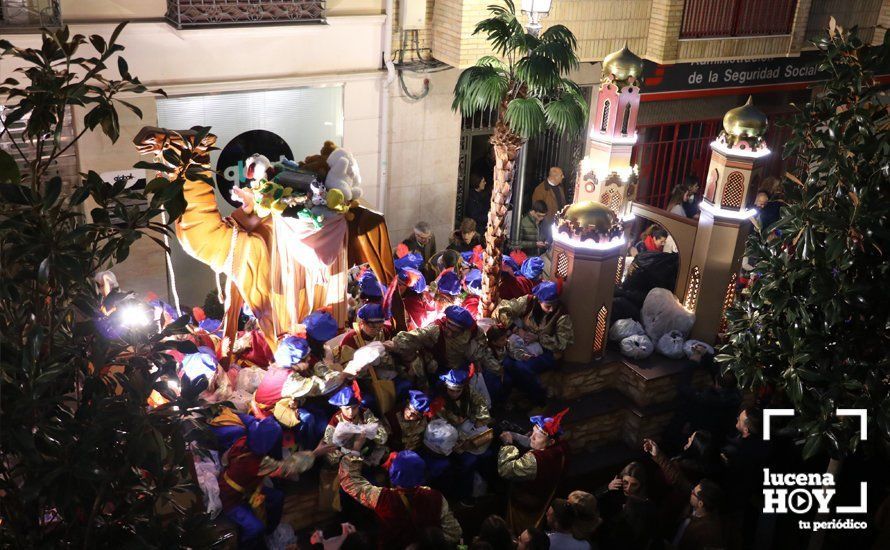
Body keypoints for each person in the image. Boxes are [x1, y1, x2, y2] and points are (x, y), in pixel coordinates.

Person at [135, 128, 395, 357]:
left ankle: (190, 157)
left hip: (296, 282)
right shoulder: (266, 224)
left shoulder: (279, 226)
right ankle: (189, 159)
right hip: (283, 270)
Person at [219, 416, 330, 547]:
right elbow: (287, 467)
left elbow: (225, 460)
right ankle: (246, 544)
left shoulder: (242, 441)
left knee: (277, 497)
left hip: (244, 486)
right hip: (230, 498)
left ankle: (270, 531)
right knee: (255, 528)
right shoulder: (257, 462)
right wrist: (315, 453)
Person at [338, 450, 462, 548]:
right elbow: (454, 533)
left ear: (392, 473)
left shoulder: (382, 498)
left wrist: (354, 452)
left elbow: (350, 481)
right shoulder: (436, 497)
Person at [494, 281, 574, 404]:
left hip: (548, 353)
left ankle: (539, 399)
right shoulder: (529, 302)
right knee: (507, 362)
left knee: (521, 367)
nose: (552, 309)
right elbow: (503, 309)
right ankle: (523, 398)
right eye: (548, 306)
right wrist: (515, 328)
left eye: (554, 305)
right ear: (539, 301)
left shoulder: (561, 315)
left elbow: (563, 343)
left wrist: (539, 338)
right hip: (523, 344)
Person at [387, 305, 503, 383]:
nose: (448, 332)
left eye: (454, 330)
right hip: (439, 367)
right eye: (448, 326)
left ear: (462, 329)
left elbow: (482, 346)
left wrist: (494, 368)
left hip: (462, 366)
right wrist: (394, 343)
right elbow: (417, 335)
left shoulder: (472, 331)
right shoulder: (436, 329)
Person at [498, 409, 569, 534]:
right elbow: (537, 444)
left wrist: (508, 444)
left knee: (520, 532)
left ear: (551, 441)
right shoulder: (562, 447)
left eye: (538, 435)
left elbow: (506, 470)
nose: (532, 437)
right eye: (533, 432)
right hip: (545, 498)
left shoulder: (535, 461)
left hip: (525, 507)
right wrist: (519, 437)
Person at [322, 384, 389, 465]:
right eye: (347, 408)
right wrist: (340, 443)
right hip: (347, 454)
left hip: (366, 448)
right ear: (340, 407)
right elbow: (328, 447)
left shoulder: (364, 413)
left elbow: (382, 437)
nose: (350, 412)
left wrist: (363, 430)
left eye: (354, 408)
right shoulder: (336, 420)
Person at [667, 479, 725, 550]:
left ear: (700, 504)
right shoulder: (693, 508)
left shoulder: (708, 534)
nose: (691, 492)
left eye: (693, 493)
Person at [531, 167, 567, 232]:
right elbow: (537, 211)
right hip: (546, 227)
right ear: (555, 177)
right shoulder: (540, 190)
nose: (563, 177)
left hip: (558, 224)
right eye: (561, 175)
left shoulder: (560, 187)